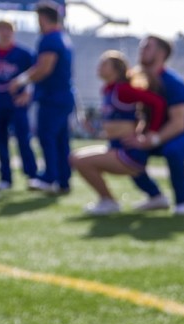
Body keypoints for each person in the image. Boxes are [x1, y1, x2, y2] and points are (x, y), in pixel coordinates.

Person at [123, 34, 184, 215]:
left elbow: (178, 123)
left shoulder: (173, 82)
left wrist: (152, 139)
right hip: (160, 135)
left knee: (173, 150)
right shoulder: (139, 79)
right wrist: (139, 136)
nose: (142, 50)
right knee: (127, 150)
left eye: (147, 47)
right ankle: (155, 196)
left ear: (161, 53)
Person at [69, 50, 167, 215]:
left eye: (104, 64)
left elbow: (157, 103)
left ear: (116, 69)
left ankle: (108, 201)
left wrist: (151, 134)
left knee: (79, 160)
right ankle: (156, 196)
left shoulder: (123, 90)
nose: (98, 67)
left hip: (129, 152)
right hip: (116, 147)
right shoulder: (108, 90)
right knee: (75, 157)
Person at [11, 1, 73, 196]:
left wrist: (20, 81)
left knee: (47, 137)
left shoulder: (50, 39)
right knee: (61, 140)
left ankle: (50, 178)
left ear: (43, 18)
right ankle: (63, 180)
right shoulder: (63, 37)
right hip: (63, 96)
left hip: (52, 98)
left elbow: (44, 68)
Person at [0, 20, 38, 192]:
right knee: (0, 141)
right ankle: (5, 178)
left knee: (23, 139)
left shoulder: (24, 53)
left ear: (13, 32)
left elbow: (35, 74)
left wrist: (28, 93)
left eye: (8, 29)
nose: (5, 33)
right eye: (1, 29)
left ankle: (32, 176)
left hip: (17, 104)